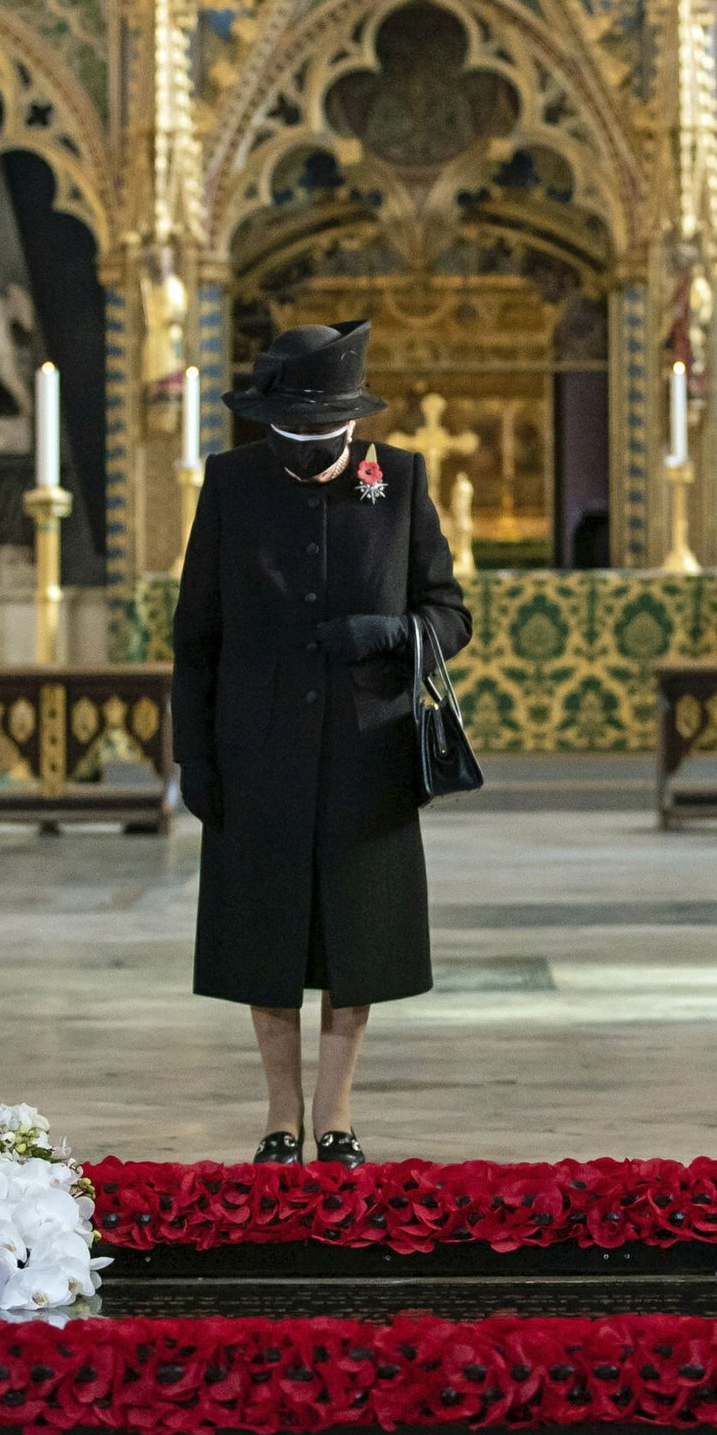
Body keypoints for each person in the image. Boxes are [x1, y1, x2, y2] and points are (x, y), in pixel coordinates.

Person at [171, 320, 471, 1167]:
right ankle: (278, 1117)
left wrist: (393, 632)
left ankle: (335, 1118)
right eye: (292, 437)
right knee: (263, 938)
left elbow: (452, 611)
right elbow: (197, 632)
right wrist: (193, 753)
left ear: (349, 422)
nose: (309, 453)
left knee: (357, 939)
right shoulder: (231, 483)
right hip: (255, 749)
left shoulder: (401, 479)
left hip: (365, 753)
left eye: (323, 438)